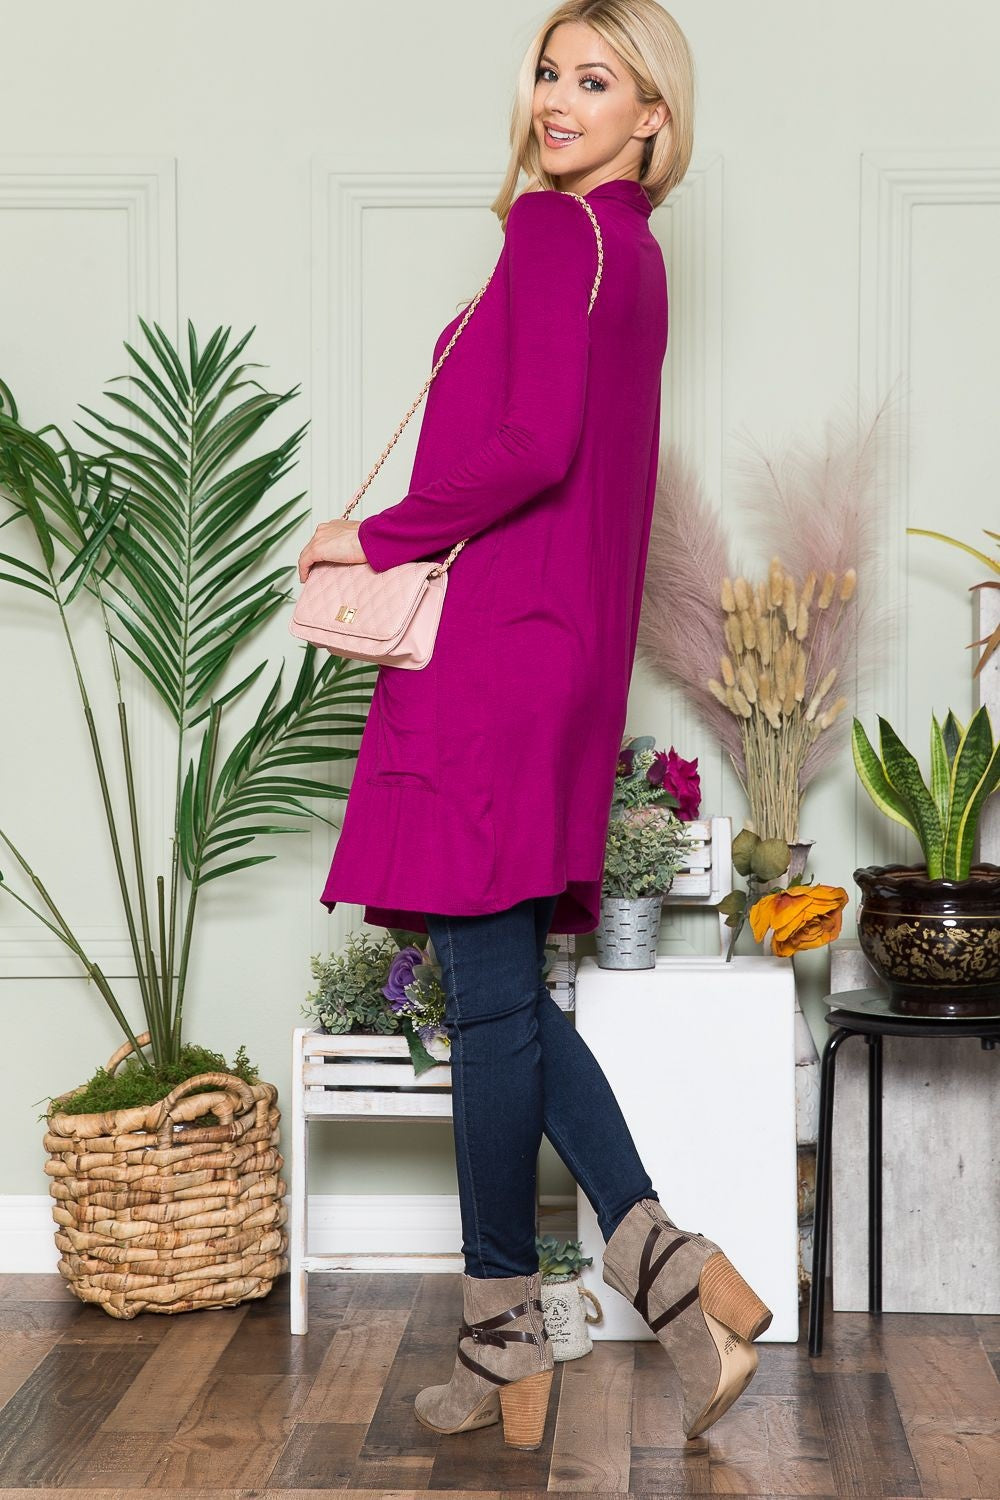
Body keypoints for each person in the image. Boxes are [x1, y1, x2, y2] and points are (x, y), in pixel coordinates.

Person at [297, 0, 772, 1451]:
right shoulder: (638, 258)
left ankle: (579, 1306)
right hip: (565, 652)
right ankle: (595, 1309)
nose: (559, 100)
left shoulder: (558, 238)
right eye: (552, 73)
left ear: (653, 117)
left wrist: (368, 537)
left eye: (598, 79)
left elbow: (531, 448)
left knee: (489, 998)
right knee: (499, 994)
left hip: (494, 648)